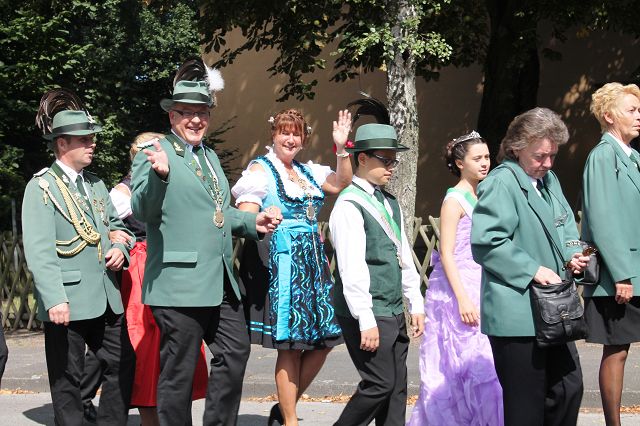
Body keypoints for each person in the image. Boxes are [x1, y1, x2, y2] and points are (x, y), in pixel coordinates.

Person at [130, 58, 281, 425]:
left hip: (219, 279)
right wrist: (160, 175)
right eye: (187, 113)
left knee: (235, 352)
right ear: (172, 116)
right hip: (178, 284)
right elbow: (142, 210)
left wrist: (252, 221)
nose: (196, 120)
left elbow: (218, 213)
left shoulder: (209, 156)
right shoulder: (156, 152)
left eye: (202, 113)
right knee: (179, 373)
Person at [22, 88, 135, 425]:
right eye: (84, 139)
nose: (92, 144)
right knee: (67, 378)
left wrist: (120, 248)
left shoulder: (96, 184)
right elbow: (40, 251)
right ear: (62, 144)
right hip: (67, 299)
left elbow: (119, 227)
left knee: (122, 363)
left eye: (92, 138)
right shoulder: (42, 187)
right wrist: (54, 298)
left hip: (106, 296)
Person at [232, 108, 353, 425]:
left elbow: (342, 182)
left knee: (325, 340)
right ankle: (290, 420)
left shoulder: (308, 171)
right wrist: (262, 215)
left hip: (313, 263)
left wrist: (342, 147)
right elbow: (246, 215)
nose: (290, 139)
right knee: (291, 346)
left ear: (303, 139)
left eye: (296, 134)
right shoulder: (260, 169)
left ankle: (284, 409)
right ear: (273, 135)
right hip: (282, 263)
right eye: (284, 132)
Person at [470, 107, 590, 426]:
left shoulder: (548, 179)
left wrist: (573, 254)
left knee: (568, 388)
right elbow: (487, 243)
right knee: (526, 406)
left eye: (552, 155)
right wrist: (533, 269)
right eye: (540, 156)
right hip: (517, 314)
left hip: (553, 309)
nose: (547, 163)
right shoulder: (501, 182)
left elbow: (565, 225)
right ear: (516, 148)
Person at [81, 132, 210, 425]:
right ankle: (147, 414)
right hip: (141, 273)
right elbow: (104, 225)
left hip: (172, 267)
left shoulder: (173, 181)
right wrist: (117, 239)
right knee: (146, 345)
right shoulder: (122, 192)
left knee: (178, 341)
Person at [329, 122, 425, 426]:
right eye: (385, 160)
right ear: (362, 158)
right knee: (379, 383)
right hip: (368, 309)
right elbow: (351, 267)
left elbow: (403, 254)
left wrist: (415, 301)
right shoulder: (349, 204)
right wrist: (365, 318)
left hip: (392, 307)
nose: (392, 167)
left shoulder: (389, 201)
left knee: (396, 388)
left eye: (394, 160)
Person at [408, 131, 502, 425]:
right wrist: (462, 299)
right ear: (460, 163)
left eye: (487, 157)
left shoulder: (482, 194)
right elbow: (446, 253)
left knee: (487, 363)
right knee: (461, 362)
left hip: (482, 280)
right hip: (458, 286)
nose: (484, 163)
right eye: (477, 158)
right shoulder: (454, 200)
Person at [581, 82, 640, 426]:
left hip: (633, 271)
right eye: (631, 110)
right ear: (608, 116)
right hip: (619, 276)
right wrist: (622, 274)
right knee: (616, 350)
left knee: (623, 349)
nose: (638, 116)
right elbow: (603, 220)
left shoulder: (632, 157)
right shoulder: (603, 156)